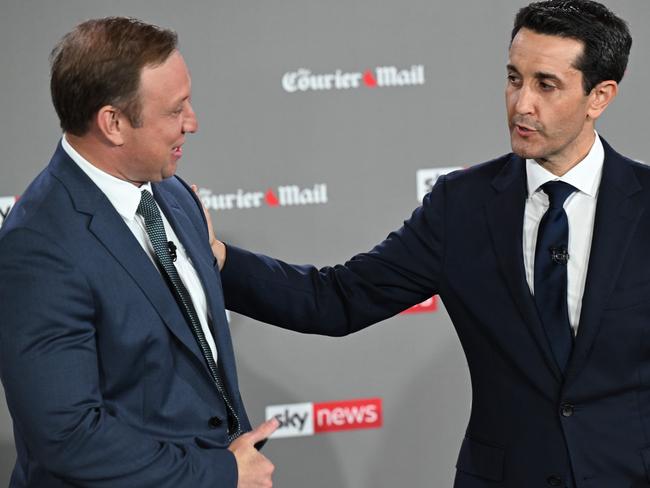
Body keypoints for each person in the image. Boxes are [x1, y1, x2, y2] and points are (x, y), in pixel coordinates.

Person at [208, 1, 650, 486]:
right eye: (513, 78)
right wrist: (220, 261)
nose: (521, 103)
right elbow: (336, 300)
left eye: (545, 85)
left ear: (599, 96)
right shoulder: (461, 206)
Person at [0, 17, 278, 488]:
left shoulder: (171, 195)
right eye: (175, 110)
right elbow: (68, 436)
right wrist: (221, 473)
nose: (193, 122)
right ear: (112, 123)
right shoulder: (38, 247)